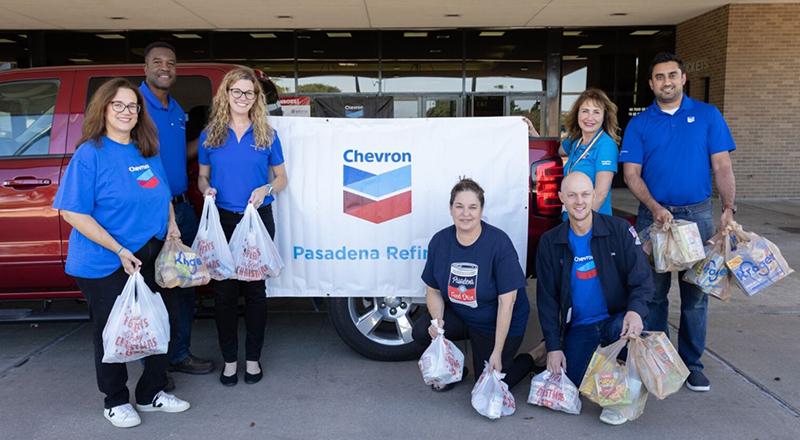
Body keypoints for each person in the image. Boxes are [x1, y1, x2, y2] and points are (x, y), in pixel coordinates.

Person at [53, 78, 191, 428]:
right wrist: (118, 249)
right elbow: (72, 212)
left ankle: (151, 393)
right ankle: (115, 400)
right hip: (106, 259)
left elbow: (163, 196)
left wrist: (172, 223)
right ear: (103, 109)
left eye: (133, 106)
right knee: (113, 330)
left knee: (163, 322)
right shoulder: (91, 153)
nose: (127, 112)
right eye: (119, 105)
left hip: (153, 253)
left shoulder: (146, 149)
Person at [620, 52, 737, 393]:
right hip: (653, 218)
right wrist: (655, 207)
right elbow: (631, 174)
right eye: (659, 77)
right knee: (653, 296)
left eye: (672, 75)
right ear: (651, 84)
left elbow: (722, 166)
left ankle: (691, 365)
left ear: (683, 78)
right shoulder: (640, 124)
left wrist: (729, 208)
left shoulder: (707, 116)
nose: (666, 81)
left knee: (696, 295)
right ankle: (659, 363)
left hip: (698, 217)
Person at [536, 171, 653, 425]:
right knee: (575, 381)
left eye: (585, 194)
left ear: (594, 196)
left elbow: (642, 279)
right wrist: (554, 347)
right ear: (561, 199)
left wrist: (635, 311)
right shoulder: (550, 242)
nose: (579, 201)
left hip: (616, 320)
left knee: (629, 331)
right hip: (581, 328)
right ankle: (617, 383)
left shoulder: (619, 229)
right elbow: (546, 300)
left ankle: (624, 384)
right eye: (572, 195)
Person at [198, 67, 288, 386]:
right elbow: (202, 176)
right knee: (223, 294)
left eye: (249, 92)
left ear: (256, 97)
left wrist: (267, 189)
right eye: (236, 91)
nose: (242, 97)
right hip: (223, 220)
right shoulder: (210, 134)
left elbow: (281, 178)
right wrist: (205, 188)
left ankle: (252, 359)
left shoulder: (267, 134)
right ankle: (229, 361)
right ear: (226, 94)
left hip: (257, 222)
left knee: (254, 292)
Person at [411, 178, 535, 391]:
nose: (465, 213)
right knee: (422, 330)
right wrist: (438, 320)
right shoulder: (440, 242)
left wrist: (497, 351)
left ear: (481, 210)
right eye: (459, 206)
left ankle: (534, 355)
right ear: (451, 209)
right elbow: (433, 289)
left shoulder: (498, 243)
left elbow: (508, 301)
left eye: (472, 207)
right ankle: (454, 369)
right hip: (463, 314)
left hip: (496, 322)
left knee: (491, 385)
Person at [140, 42, 215, 381]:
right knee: (152, 291)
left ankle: (180, 354)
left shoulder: (175, 108)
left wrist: (208, 137)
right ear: (145, 68)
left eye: (171, 62)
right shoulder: (135, 107)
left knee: (183, 286)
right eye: (157, 62)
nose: (165, 67)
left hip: (182, 210)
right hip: (152, 214)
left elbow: (180, 153)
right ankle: (154, 369)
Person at [558, 88, 620, 221]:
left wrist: (583, 224)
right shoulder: (576, 141)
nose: (589, 118)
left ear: (604, 116)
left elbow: (601, 193)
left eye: (596, 112)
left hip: (591, 221)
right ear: (578, 114)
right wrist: (533, 134)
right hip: (570, 218)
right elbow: (553, 150)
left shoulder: (605, 145)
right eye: (585, 111)